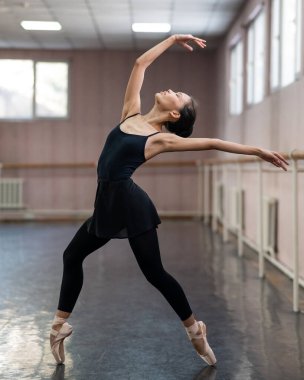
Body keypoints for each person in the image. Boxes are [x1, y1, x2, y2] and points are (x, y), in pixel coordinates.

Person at [49, 34, 289, 367]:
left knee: (154, 273)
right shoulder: (129, 114)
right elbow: (140, 63)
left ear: (175, 115)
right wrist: (173, 39)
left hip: (133, 208)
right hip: (106, 203)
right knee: (72, 255)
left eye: (179, 96)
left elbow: (213, 142)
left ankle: (195, 331)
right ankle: (59, 327)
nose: (172, 90)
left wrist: (258, 151)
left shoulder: (160, 140)